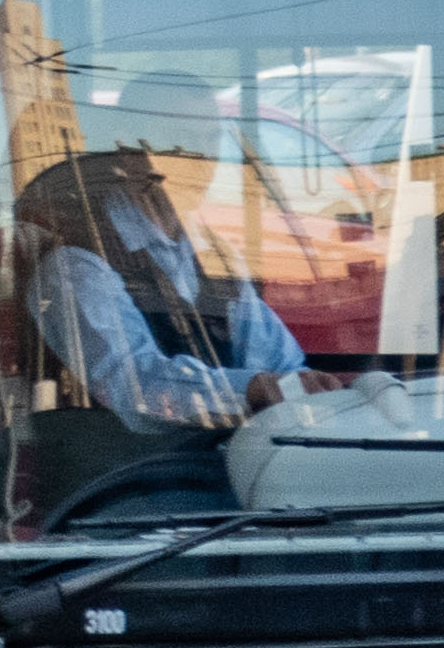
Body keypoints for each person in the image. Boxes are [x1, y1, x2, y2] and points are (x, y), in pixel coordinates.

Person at [20, 70, 341, 430]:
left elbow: (281, 363)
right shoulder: (77, 263)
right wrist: (252, 388)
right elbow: (133, 388)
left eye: (212, 140)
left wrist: (310, 386)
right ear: (128, 150)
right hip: (135, 473)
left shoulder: (214, 254)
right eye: (183, 142)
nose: (204, 160)